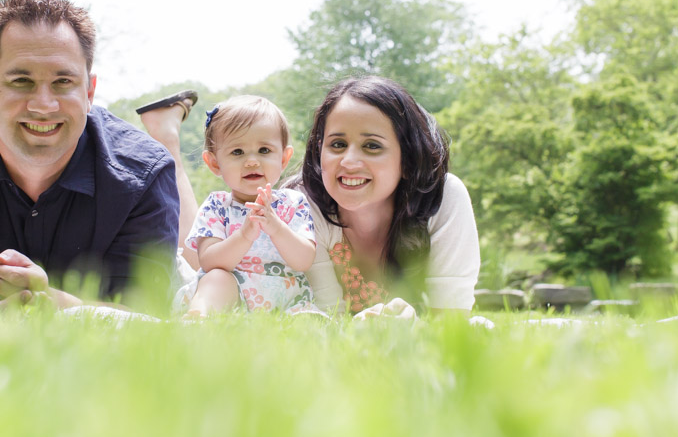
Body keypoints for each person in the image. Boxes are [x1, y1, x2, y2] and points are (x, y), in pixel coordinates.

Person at [0, 0, 179, 319]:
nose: (44, 105)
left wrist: (42, 300)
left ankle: (167, 126)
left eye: (63, 82)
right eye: (22, 81)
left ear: (88, 92)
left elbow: (146, 318)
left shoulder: (144, 174)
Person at [140, 77, 479, 318]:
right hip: (230, 281)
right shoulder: (302, 201)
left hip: (272, 290)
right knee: (196, 266)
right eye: (337, 144)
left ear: (408, 157)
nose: (349, 161)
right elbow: (329, 315)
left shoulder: (443, 197)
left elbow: (450, 320)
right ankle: (167, 139)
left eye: (372, 146)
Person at [172, 96, 319, 317]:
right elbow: (209, 261)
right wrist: (244, 235)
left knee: (309, 321)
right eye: (237, 152)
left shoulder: (292, 203)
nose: (252, 161)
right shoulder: (217, 206)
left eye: (264, 150)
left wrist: (275, 226)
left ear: (284, 158)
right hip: (231, 295)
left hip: (288, 299)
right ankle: (199, 318)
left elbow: (304, 261)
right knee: (216, 279)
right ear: (214, 163)